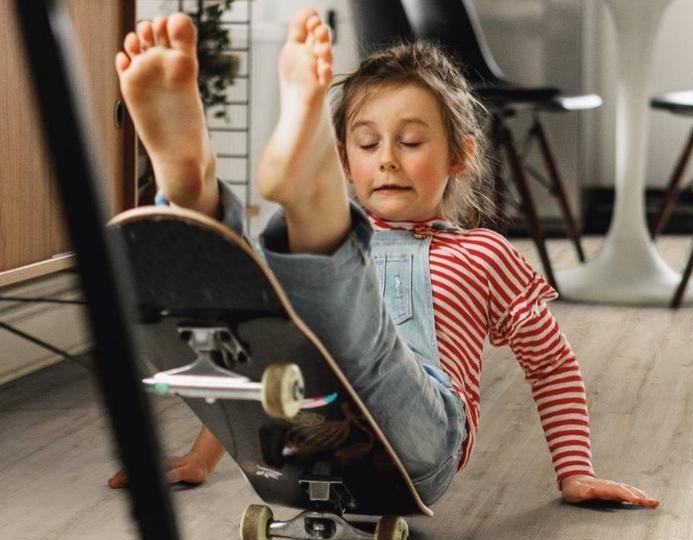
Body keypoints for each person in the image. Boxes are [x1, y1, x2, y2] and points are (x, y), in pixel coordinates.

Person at [108, 10, 659, 509]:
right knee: (253, 324)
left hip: (418, 444)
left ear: (460, 155)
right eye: (367, 145)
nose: (388, 159)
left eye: (411, 142)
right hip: (303, 437)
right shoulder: (321, 249)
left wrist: (576, 471)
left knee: (360, 336)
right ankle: (191, 186)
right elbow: (263, 358)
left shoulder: (483, 254)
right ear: (347, 163)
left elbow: (551, 363)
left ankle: (299, 191)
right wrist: (200, 459)